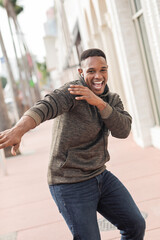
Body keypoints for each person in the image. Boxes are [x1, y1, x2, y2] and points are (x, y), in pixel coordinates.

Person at [0, 48, 145, 240]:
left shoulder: (112, 100)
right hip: (69, 182)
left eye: (103, 70)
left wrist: (99, 103)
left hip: (100, 175)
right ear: (80, 72)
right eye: (91, 71)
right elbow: (45, 106)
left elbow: (123, 130)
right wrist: (18, 130)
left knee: (135, 224)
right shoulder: (71, 92)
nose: (98, 76)